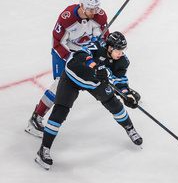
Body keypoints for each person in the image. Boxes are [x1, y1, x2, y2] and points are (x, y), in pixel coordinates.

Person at [35, 31, 142, 170]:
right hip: (72, 78)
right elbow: (79, 54)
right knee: (60, 112)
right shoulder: (97, 46)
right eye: (118, 50)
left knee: (115, 105)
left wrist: (127, 96)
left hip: (95, 82)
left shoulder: (122, 61)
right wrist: (95, 66)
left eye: (122, 50)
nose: (120, 53)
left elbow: (120, 81)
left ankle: (130, 129)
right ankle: (44, 149)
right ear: (109, 47)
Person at [26, 0, 109, 138]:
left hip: (85, 53)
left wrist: (99, 45)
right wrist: (71, 57)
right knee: (59, 86)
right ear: (82, 6)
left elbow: (104, 39)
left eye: (96, 8)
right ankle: (36, 118)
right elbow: (57, 42)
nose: (94, 11)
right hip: (64, 53)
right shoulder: (67, 17)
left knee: (103, 70)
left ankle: (124, 92)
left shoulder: (100, 16)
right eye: (91, 8)